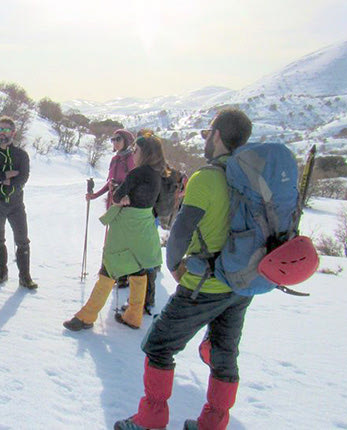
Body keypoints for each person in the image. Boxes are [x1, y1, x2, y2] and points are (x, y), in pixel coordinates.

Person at [114, 108, 254, 430]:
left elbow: (181, 230)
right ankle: (213, 423)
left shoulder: (207, 177)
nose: (206, 138)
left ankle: (150, 420)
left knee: (158, 345)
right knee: (225, 352)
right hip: (243, 283)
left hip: (204, 283)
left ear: (218, 135)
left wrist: (174, 265)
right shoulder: (250, 176)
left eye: (208, 132)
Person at [64, 133, 164, 331]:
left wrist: (121, 194)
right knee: (138, 268)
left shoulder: (137, 173)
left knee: (109, 268)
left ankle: (87, 316)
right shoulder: (156, 173)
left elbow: (117, 196)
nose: (134, 153)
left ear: (144, 153)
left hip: (126, 225)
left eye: (136, 150)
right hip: (144, 227)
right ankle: (134, 316)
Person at [0, 115, 37, 289]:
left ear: (13, 132)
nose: (1, 133)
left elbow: (23, 178)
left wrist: (4, 179)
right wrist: (9, 174)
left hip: (15, 203)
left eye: (5, 129)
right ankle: (2, 272)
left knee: (22, 240)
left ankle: (25, 277)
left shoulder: (21, 154)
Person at [87, 129, 135, 289]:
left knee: (119, 240)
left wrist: (125, 195)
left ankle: (120, 275)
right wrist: (94, 195)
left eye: (118, 139)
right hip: (113, 203)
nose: (114, 142)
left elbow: (133, 181)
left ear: (126, 140)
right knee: (111, 238)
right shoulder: (115, 159)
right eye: (112, 139)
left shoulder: (130, 159)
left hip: (124, 205)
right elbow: (109, 183)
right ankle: (109, 271)